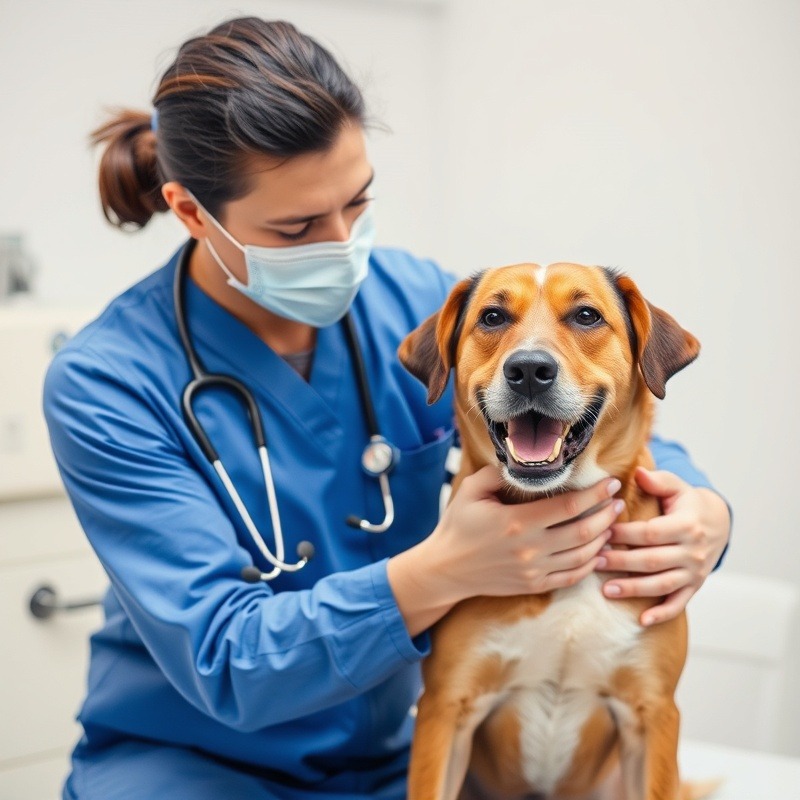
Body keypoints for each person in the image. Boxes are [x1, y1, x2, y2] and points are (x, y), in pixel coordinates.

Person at [43, 17, 731, 800]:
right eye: (298, 226)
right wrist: (438, 573)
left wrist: (699, 510)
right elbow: (224, 656)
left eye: (357, 202)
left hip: (387, 764)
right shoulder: (108, 382)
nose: (342, 246)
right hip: (195, 770)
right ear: (193, 211)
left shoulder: (407, 297)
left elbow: (582, 394)